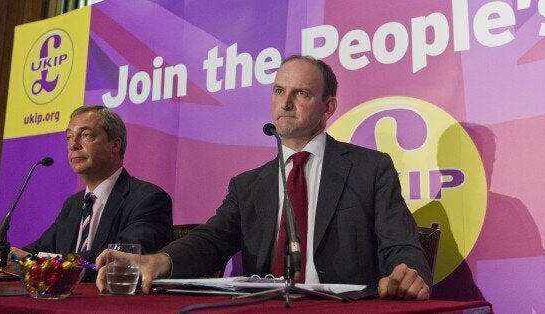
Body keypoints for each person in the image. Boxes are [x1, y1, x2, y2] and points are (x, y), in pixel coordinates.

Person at [96, 55, 431, 299]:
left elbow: (401, 244)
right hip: (264, 307)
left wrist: (407, 275)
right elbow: (211, 240)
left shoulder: (369, 168)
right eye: (278, 91)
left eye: (301, 94)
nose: (285, 103)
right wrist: (159, 260)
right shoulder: (248, 185)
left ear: (328, 108)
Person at [0, 106, 173, 280]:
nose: (73, 145)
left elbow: (120, 260)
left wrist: (32, 263)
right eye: (68, 137)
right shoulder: (73, 204)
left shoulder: (149, 199)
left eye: (85, 135)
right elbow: (39, 248)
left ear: (115, 145)